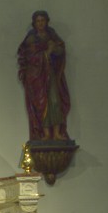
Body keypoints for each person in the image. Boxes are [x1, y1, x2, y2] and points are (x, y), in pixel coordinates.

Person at [16, 10, 70, 141]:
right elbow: (29, 57)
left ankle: (56, 133)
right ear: (34, 23)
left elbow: (60, 50)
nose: (40, 23)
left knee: (55, 101)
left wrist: (55, 49)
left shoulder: (51, 35)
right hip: (37, 76)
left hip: (50, 73)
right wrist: (47, 52)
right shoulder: (31, 38)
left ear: (47, 22)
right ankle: (46, 133)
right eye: (38, 21)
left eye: (43, 21)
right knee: (41, 103)